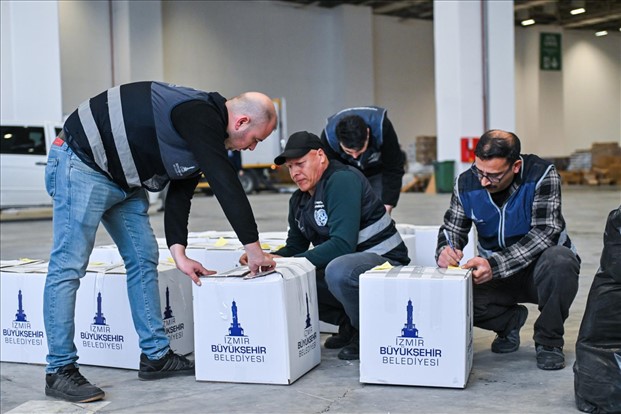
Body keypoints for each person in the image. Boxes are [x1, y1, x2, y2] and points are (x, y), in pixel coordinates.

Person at [43, 81, 277, 403]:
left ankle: (155, 356)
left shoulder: (201, 131)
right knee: (68, 266)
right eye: (255, 140)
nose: (251, 148)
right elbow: (224, 182)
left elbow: (181, 192)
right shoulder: (199, 114)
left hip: (123, 180)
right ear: (241, 122)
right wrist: (254, 250)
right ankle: (59, 369)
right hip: (81, 163)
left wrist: (179, 253)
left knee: (143, 258)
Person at [242, 131, 410, 360]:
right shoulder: (299, 200)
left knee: (337, 270)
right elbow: (295, 246)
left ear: (320, 156)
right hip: (353, 265)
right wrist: (266, 258)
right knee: (286, 277)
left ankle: (369, 331)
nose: (295, 173)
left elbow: (342, 245)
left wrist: (289, 263)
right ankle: (348, 324)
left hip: (384, 262)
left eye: (300, 164)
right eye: (290, 167)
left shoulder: (341, 181)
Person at [435, 129, 580, 370]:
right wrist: (445, 250)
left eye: (493, 175)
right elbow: (453, 229)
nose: (483, 181)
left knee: (561, 261)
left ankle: (549, 341)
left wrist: (494, 265)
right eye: (479, 171)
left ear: (515, 166)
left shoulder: (541, 175)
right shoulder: (466, 183)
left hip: (539, 270)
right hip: (496, 274)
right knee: (453, 297)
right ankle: (509, 322)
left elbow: (546, 232)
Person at [320, 106, 404, 214]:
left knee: (378, 211)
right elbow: (330, 175)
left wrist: (388, 204)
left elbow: (394, 166)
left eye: (359, 151)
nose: (355, 157)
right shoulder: (328, 138)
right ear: (339, 141)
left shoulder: (382, 127)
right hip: (347, 173)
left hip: (377, 170)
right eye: (349, 152)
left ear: (368, 134)